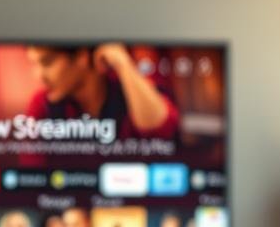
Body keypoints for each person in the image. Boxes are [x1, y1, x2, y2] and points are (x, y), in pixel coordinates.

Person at [21, 43, 179, 166]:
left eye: (47, 63)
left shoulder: (127, 87)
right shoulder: (42, 103)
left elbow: (164, 130)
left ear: (82, 57)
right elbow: (31, 170)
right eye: (34, 64)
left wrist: (122, 62)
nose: (38, 76)